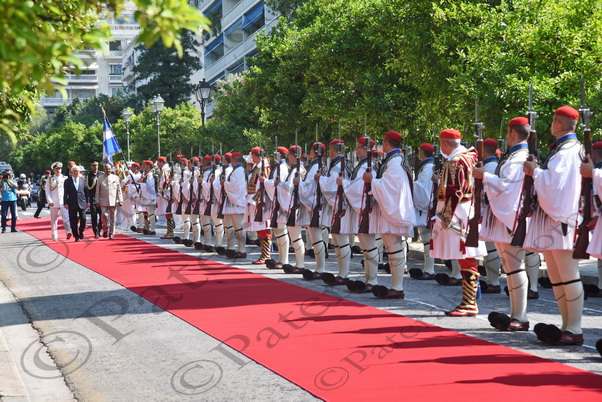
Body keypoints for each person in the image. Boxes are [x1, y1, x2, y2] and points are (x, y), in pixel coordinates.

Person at [523, 106, 584, 345]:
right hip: (553, 217)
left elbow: (556, 185)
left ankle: (574, 328)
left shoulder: (568, 151)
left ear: (558, 123)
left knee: (568, 275)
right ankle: (566, 325)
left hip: (562, 218)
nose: (551, 124)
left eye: (553, 120)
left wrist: (536, 172)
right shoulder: (563, 149)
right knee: (557, 276)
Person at [474, 117, 531, 331]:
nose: (506, 137)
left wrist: (485, 177)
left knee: (515, 267)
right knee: (510, 268)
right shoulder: (514, 156)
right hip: (504, 217)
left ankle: (521, 316)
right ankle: (516, 314)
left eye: (508, 132)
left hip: (511, 217)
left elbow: (507, 188)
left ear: (514, 133)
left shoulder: (519, 157)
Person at [430, 129, 486, 316]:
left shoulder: (455, 160)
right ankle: (469, 301)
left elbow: (455, 192)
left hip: (457, 214)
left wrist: (444, 217)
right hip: (464, 211)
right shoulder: (466, 157)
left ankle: (469, 303)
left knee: (465, 257)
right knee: (466, 257)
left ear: (445, 143)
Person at [363, 131, 416, 299]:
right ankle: (395, 285)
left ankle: (397, 286)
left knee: (394, 246)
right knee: (392, 247)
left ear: (386, 143)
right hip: (389, 208)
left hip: (393, 208)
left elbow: (391, 187)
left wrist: (372, 180)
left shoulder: (395, 161)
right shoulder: (394, 160)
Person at [340, 137, 380, 292]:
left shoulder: (368, 165)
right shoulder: (363, 164)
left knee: (369, 244)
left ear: (365, 148)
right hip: (362, 207)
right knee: (365, 245)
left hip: (367, 207)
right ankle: (368, 278)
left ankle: (373, 279)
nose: (356, 151)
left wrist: (344, 183)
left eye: (358, 148)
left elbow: (358, 187)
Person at [478, 138, 503, 294]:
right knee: (489, 247)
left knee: (491, 247)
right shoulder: (488, 165)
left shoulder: (492, 166)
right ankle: (490, 280)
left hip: (490, 209)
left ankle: (494, 281)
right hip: (486, 209)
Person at [409, 143, 436, 280]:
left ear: (422, 152)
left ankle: (430, 269)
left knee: (427, 239)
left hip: (426, 208)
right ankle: (427, 267)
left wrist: (409, 183)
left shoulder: (428, 167)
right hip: (424, 207)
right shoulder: (427, 166)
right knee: (426, 239)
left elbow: (423, 189)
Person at [263, 146, 290, 268]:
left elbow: (279, 185)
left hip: (281, 203)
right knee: (278, 232)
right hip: (278, 202)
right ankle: (281, 258)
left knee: (282, 231)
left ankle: (284, 260)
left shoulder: (282, 168)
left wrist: (265, 181)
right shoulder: (279, 167)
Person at [245, 148, 272, 263]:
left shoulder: (263, 167)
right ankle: (264, 254)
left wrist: (256, 199)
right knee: (259, 228)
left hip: (259, 201)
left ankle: (266, 255)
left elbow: (262, 185)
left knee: (263, 228)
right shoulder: (257, 167)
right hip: (254, 199)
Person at [222, 152, 248, 258]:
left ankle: (242, 249)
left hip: (238, 202)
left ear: (233, 160)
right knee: (236, 227)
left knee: (239, 227)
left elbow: (236, 186)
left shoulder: (239, 171)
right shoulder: (238, 170)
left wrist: (225, 183)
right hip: (236, 202)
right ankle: (238, 248)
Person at [96, 163, 124, 239]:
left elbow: (119, 190)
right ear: (104, 169)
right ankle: (105, 228)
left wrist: (120, 200)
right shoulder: (100, 178)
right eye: (106, 169)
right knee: (104, 215)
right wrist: (97, 201)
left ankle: (111, 233)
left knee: (113, 218)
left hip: (113, 200)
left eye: (109, 169)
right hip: (103, 200)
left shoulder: (115, 178)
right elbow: (97, 191)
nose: (108, 170)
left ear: (111, 169)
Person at [63, 165, 89, 242]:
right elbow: (65, 193)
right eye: (75, 171)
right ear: (71, 172)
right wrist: (65, 203)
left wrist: (88, 201)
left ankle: (81, 231)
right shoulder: (67, 181)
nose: (77, 172)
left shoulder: (83, 180)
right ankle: (76, 236)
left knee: (83, 218)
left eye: (78, 171)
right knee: (73, 220)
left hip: (82, 202)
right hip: (72, 203)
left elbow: (86, 191)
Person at [87, 160, 102, 238]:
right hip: (93, 197)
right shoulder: (89, 176)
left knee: (102, 215)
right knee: (94, 215)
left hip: (101, 197)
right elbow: (88, 188)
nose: (95, 167)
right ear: (91, 166)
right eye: (93, 166)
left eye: (96, 165)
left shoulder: (101, 174)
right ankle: (95, 232)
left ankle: (100, 229)